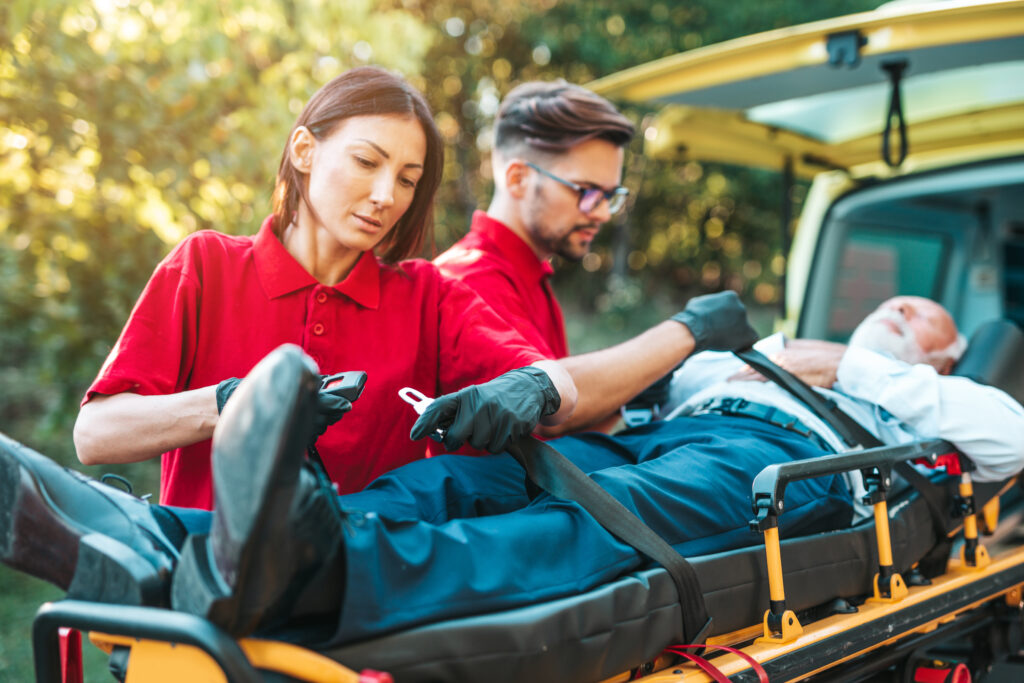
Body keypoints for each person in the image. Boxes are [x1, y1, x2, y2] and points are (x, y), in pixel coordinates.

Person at [2, 297, 1021, 647]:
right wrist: (535, 397)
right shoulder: (749, 348)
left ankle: (323, 574)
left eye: (919, 322)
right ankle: (159, 540)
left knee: (604, 518)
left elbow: (1008, 437)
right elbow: (625, 392)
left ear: (942, 353)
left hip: (777, 463)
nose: (897, 316)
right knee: (466, 480)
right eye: (890, 310)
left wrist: (863, 365)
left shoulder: (919, 397)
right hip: (660, 428)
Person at [70, 66, 582, 509]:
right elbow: (96, 434)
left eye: (407, 179)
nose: (385, 195)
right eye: (366, 162)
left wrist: (531, 387)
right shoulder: (206, 266)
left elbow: (562, 386)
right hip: (212, 593)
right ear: (304, 150)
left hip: (366, 592)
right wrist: (238, 402)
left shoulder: (428, 294)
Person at [435, 80, 738, 435]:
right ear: (517, 179)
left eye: (609, 196)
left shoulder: (529, 273)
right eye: (587, 192)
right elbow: (546, 411)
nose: (602, 214)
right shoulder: (466, 281)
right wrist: (690, 329)